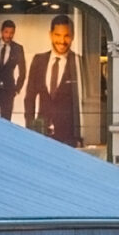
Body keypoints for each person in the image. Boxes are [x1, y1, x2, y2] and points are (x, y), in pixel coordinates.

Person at [22, 15, 82, 144]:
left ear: (73, 36)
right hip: (41, 132)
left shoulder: (79, 63)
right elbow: (30, 97)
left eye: (67, 35)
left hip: (69, 135)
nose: (62, 40)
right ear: (50, 35)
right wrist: (29, 128)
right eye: (58, 35)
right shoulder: (38, 60)